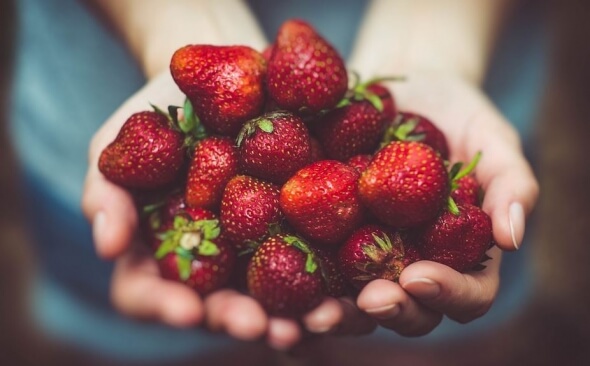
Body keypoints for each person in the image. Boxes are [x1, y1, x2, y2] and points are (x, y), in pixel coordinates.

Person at [10, 0, 542, 363]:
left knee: (417, 346)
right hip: (88, 85)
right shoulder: (237, 162)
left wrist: (432, 49)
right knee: (132, 345)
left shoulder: (344, 170)